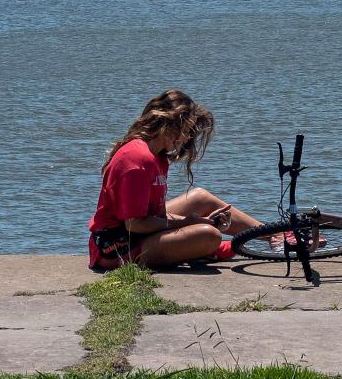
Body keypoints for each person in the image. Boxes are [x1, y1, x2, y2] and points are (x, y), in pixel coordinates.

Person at [88, 89, 258, 271]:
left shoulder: (158, 157)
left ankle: (276, 234)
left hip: (138, 233)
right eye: (185, 131)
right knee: (210, 235)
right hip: (115, 246)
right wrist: (189, 223)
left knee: (201, 198)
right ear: (167, 123)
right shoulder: (136, 158)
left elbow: (158, 217)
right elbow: (134, 224)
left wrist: (201, 220)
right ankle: (211, 248)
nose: (187, 138)